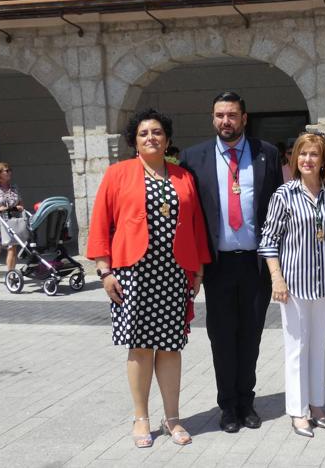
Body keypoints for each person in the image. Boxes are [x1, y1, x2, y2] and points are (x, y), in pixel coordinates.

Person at [87, 109, 211, 448]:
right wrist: (104, 269)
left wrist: (197, 269)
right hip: (132, 272)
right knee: (140, 346)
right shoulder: (117, 174)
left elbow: (196, 223)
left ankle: (172, 417)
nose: (151, 138)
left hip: (173, 272)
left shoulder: (183, 177)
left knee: (170, 347)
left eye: (157, 132)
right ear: (134, 141)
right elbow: (100, 222)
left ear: (167, 139)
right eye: (144, 134)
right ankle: (141, 418)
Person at [180, 91, 283, 433]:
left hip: (256, 264)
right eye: (220, 115)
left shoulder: (266, 153)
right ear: (213, 119)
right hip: (218, 265)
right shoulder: (194, 159)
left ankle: (247, 401)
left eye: (232, 115)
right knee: (222, 337)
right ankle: (227, 407)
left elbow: (276, 211)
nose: (226, 121)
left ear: (244, 117)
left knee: (251, 335)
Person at [259, 132, 325, 437]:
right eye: (302, 154)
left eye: (314, 155)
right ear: (295, 160)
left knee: (318, 344)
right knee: (297, 347)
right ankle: (297, 409)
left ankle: (317, 402)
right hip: (293, 284)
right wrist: (276, 278)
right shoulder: (284, 194)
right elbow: (268, 241)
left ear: (323, 161)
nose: (307, 160)